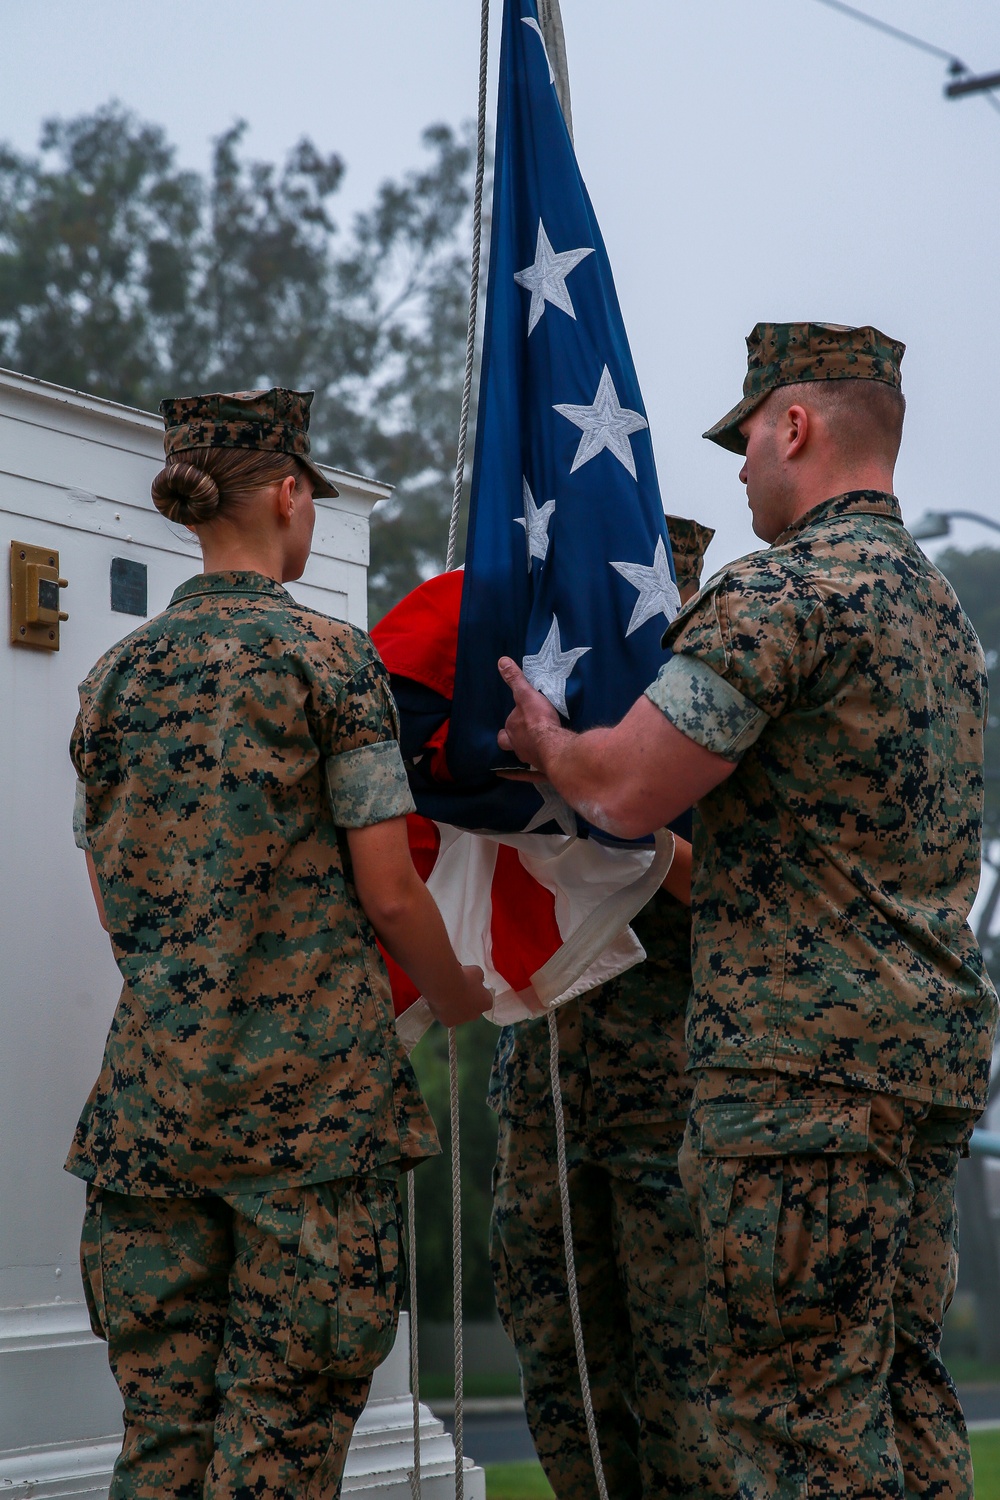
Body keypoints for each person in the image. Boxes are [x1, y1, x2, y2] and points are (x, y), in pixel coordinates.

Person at [495, 324, 999, 1499]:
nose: (737, 472)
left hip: (800, 1082)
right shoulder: (938, 614)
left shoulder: (783, 592)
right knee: (902, 1392)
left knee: (792, 1416)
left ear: (795, 424)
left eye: (745, 440)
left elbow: (630, 784)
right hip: (923, 1064)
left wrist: (546, 746)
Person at [67, 387, 490, 1500]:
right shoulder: (328, 662)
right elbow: (392, 894)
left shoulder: (113, 679)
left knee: (160, 1448)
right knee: (280, 1453)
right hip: (310, 1126)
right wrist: (455, 998)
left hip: (152, 1115)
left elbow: (115, 900)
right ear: (291, 494)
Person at [489, 515, 735, 1499]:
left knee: (687, 1385)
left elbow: (757, 904)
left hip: (670, 1099)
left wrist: (645, 839)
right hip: (548, 1093)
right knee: (561, 1373)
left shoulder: (720, 722)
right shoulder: (552, 721)